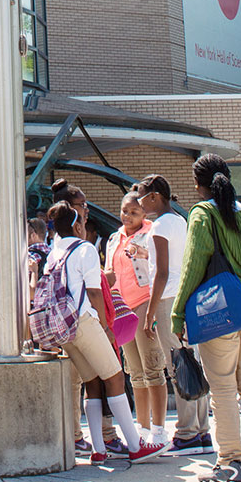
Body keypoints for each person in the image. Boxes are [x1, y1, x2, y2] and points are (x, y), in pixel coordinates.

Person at [171, 154, 241, 482]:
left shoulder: (202, 214)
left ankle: (230, 464)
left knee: (225, 390)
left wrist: (177, 313)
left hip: (223, 310)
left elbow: (192, 266)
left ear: (198, 184)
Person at [44, 203, 161, 463]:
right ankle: (134, 446)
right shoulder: (84, 249)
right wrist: (107, 329)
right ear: (77, 225)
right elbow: (95, 291)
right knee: (116, 378)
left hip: (65, 329)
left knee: (92, 383)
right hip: (85, 320)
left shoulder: (54, 252)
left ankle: (98, 450)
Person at [137, 173, 213, 455]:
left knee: (178, 366)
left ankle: (186, 433)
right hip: (186, 296)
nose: (140, 204)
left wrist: (149, 313)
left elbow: (162, 273)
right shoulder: (179, 221)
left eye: (143, 198)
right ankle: (201, 432)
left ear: (155, 196)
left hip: (168, 299)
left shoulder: (158, 226)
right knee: (191, 361)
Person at [108, 193, 169, 447]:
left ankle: (159, 430)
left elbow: (159, 265)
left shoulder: (151, 233)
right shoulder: (114, 238)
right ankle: (142, 429)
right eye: (125, 211)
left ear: (144, 214)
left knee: (153, 368)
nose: (128, 216)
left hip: (144, 303)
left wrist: (144, 253)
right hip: (122, 307)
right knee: (135, 373)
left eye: (134, 212)